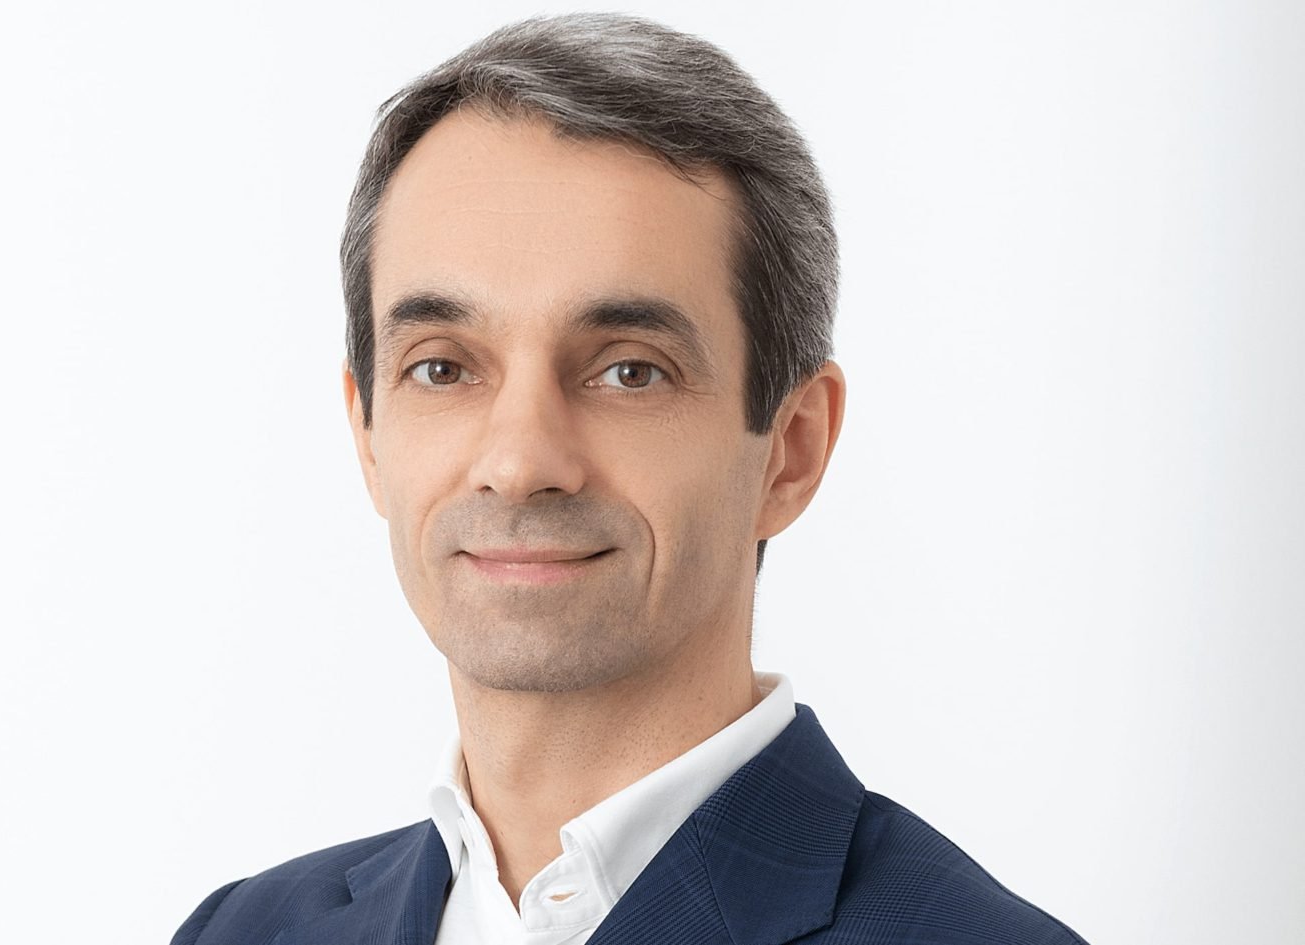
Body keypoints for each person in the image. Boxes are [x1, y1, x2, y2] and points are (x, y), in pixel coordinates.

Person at [173, 13, 1088, 945]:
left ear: (792, 448)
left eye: (629, 371)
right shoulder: (239, 931)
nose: (519, 463)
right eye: (442, 367)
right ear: (368, 435)